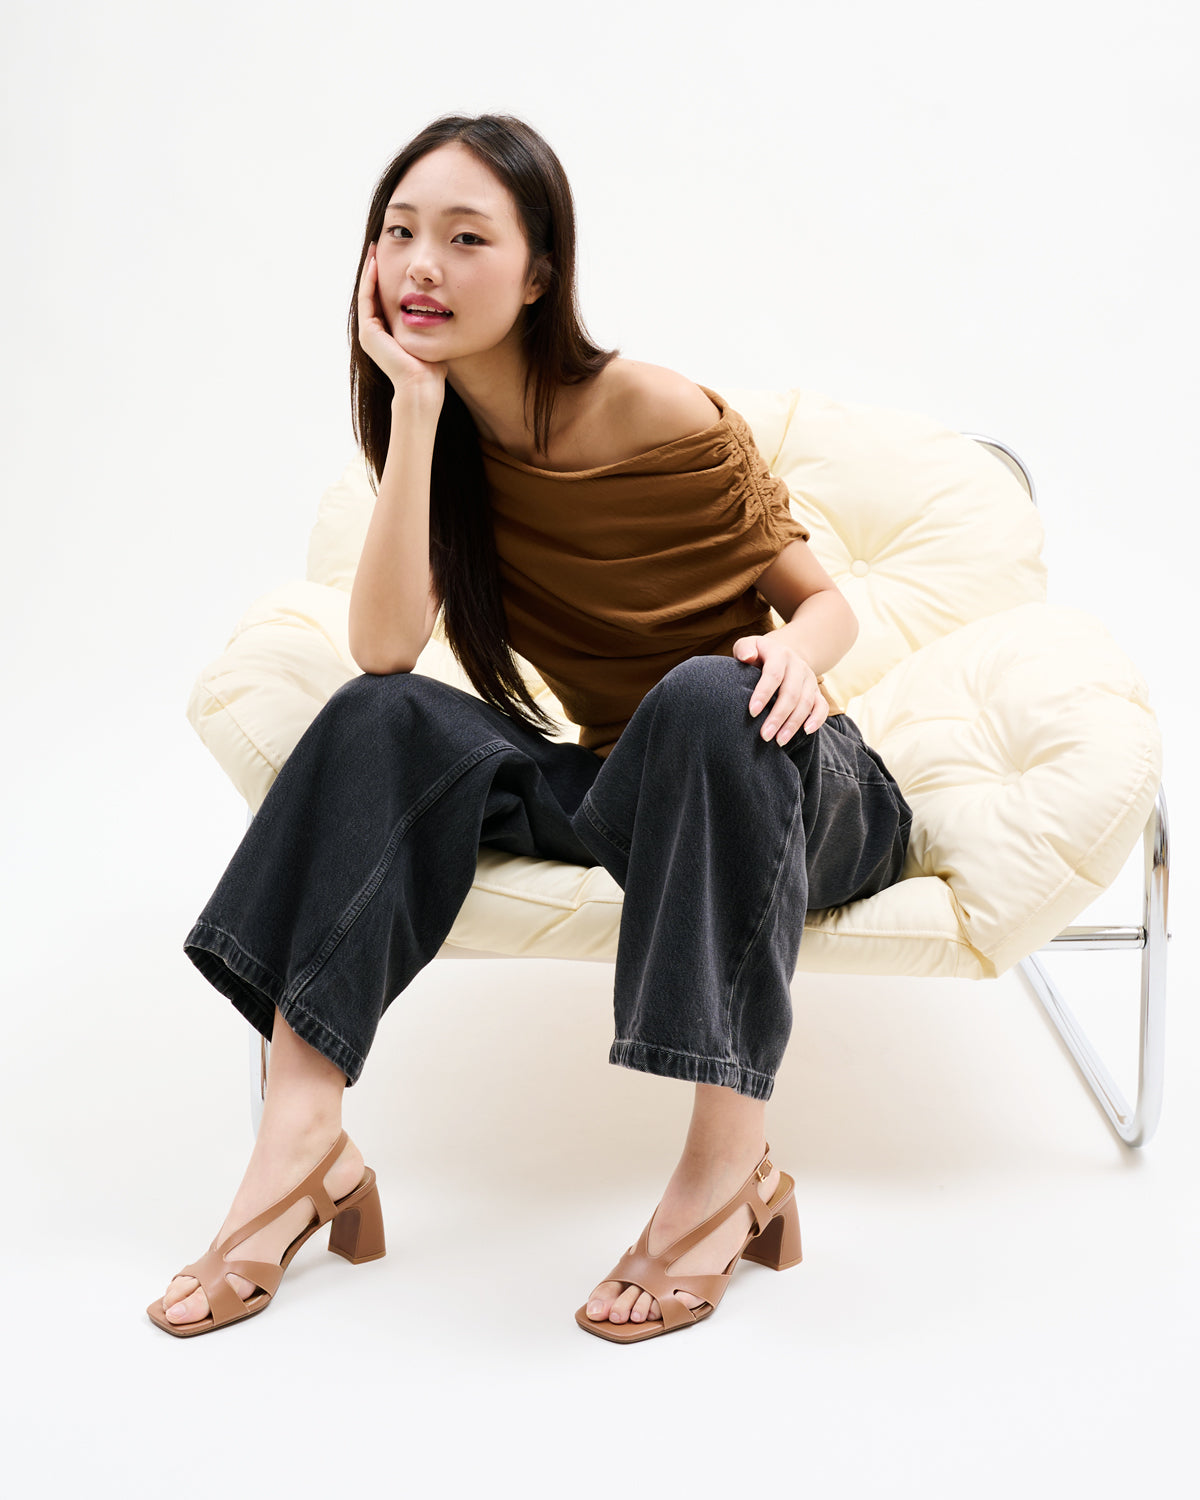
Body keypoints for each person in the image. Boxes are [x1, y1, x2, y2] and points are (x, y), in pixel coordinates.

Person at [148, 113, 913, 1344]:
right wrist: (413, 412)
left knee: (703, 693)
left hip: (794, 781)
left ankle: (732, 1172)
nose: (422, 266)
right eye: (399, 233)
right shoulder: (438, 438)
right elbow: (386, 651)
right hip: (625, 791)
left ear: (541, 270)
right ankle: (303, 1142)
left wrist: (794, 658)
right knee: (380, 714)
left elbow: (824, 603)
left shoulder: (654, 407)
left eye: (465, 238)